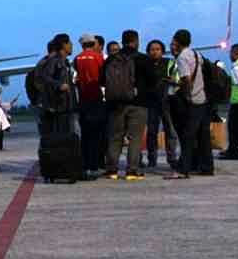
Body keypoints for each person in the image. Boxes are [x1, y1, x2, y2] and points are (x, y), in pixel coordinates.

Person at [102, 30, 154, 181]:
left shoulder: (111, 59)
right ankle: (132, 170)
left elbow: (102, 80)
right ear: (136, 41)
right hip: (139, 103)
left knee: (115, 137)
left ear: (122, 41)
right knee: (135, 138)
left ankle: (112, 170)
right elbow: (153, 80)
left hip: (115, 104)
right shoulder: (143, 59)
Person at [166, 29, 213, 179]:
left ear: (177, 41)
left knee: (187, 136)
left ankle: (183, 169)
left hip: (192, 100)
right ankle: (206, 167)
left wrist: (186, 96)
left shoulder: (182, 58)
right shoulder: (196, 54)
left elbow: (186, 79)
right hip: (202, 98)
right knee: (203, 136)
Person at [74, 33, 104, 180]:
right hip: (96, 98)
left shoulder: (77, 58)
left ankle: (85, 165)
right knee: (96, 135)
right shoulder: (98, 57)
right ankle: (94, 165)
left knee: (85, 135)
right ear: (94, 44)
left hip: (83, 100)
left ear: (82, 45)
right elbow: (103, 77)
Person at [145, 40, 179, 169]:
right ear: (148, 51)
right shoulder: (145, 64)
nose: (155, 51)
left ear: (163, 51)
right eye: (152, 49)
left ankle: (172, 158)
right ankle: (151, 159)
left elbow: (177, 79)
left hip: (167, 102)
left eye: (158, 49)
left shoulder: (169, 63)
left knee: (170, 131)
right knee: (152, 132)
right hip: (151, 103)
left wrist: (173, 81)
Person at [40, 36, 75, 136]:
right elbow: (45, 77)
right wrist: (59, 85)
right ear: (64, 45)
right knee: (60, 135)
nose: (72, 46)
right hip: (59, 107)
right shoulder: (54, 61)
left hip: (67, 106)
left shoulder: (65, 62)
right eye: (70, 43)